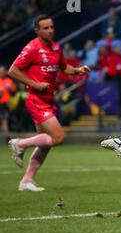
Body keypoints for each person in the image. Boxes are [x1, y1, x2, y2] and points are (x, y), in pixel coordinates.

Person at [7, 15, 90, 191]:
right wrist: (35, 84)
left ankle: (26, 181)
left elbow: (63, 67)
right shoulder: (32, 48)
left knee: (45, 145)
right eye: (45, 28)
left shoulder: (56, 47)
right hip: (36, 99)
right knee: (58, 138)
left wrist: (77, 71)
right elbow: (12, 71)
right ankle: (19, 144)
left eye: (51, 27)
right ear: (37, 31)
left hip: (49, 99)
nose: (50, 30)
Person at [0, 65, 17, 143]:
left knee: (4, 121)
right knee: (4, 121)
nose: (1, 72)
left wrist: (10, 91)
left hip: (5, 105)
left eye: (2, 71)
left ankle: (7, 139)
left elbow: (14, 93)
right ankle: (6, 138)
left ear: (6, 72)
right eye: (0, 71)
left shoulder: (9, 81)